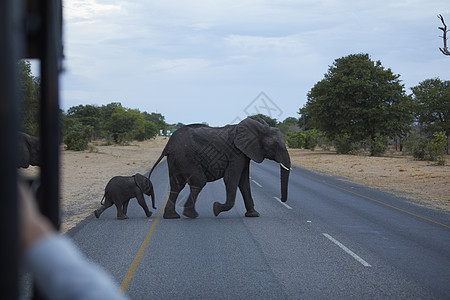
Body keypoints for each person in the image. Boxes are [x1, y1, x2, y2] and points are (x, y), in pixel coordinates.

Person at [19, 182, 128, 300]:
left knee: (111, 203)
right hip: (118, 188)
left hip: (115, 186)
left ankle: (108, 212)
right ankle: (120, 213)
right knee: (119, 201)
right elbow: (90, 290)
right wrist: (37, 234)